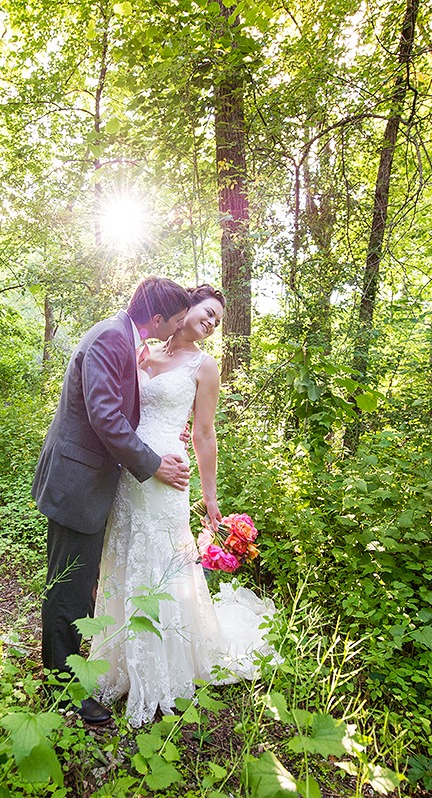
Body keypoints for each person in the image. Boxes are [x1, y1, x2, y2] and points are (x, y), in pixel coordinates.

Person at [90, 284, 277, 728]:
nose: (212, 324)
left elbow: (204, 433)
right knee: (126, 553)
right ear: (185, 308)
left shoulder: (204, 366)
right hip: (129, 471)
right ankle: (118, 660)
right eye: (208, 312)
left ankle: (162, 667)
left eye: (217, 321)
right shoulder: (144, 351)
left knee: (162, 561)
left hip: (168, 476)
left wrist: (210, 498)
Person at [32, 277, 193, 724]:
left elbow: (121, 408)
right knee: (68, 589)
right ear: (157, 318)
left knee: (80, 584)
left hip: (91, 483)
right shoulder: (109, 337)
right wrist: (153, 463)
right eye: (175, 321)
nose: (176, 329)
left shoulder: (124, 338)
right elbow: (104, 415)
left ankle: (69, 669)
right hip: (77, 483)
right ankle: (62, 690)